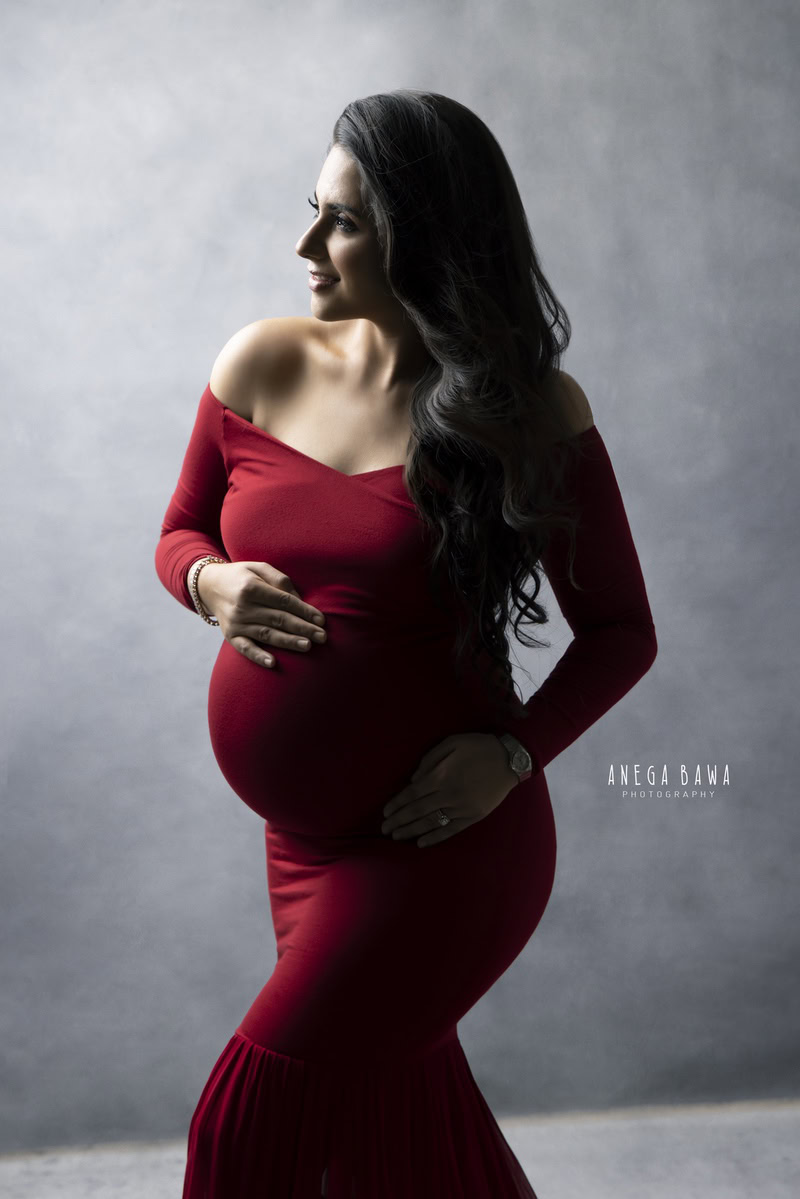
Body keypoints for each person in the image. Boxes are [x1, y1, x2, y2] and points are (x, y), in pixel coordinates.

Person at [155, 89, 658, 1199]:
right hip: (303, 846)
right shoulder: (261, 362)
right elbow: (180, 529)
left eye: (341, 222)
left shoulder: (526, 412)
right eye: (312, 210)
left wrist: (515, 754)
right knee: (398, 1149)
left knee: (243, 1131)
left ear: (423, 239)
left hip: (443, 846)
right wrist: (208, 580)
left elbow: (623, 632)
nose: (305, 247)